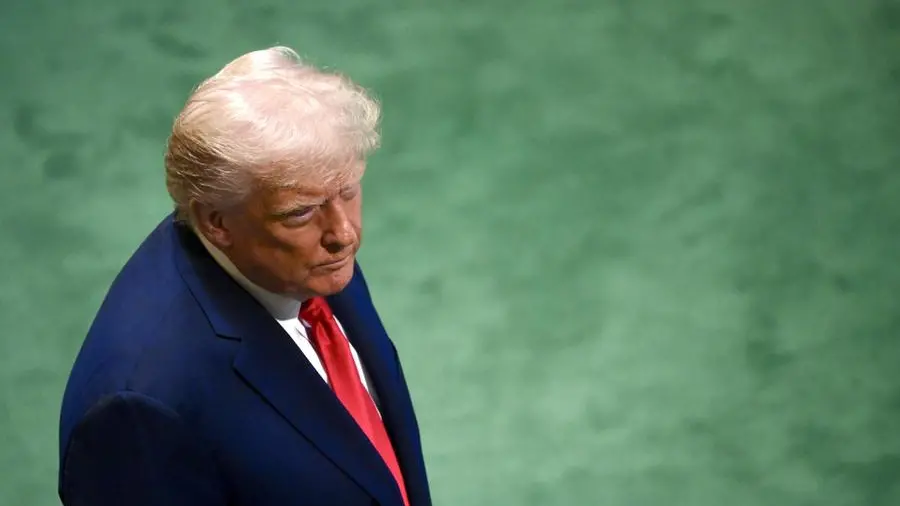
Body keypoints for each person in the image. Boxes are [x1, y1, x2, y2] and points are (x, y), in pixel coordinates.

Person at [57, 46, 432, 506]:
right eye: (301, 212)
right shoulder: (139, 408)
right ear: (216, 221)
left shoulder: (305, 257)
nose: (344, 233)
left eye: (349, 190)